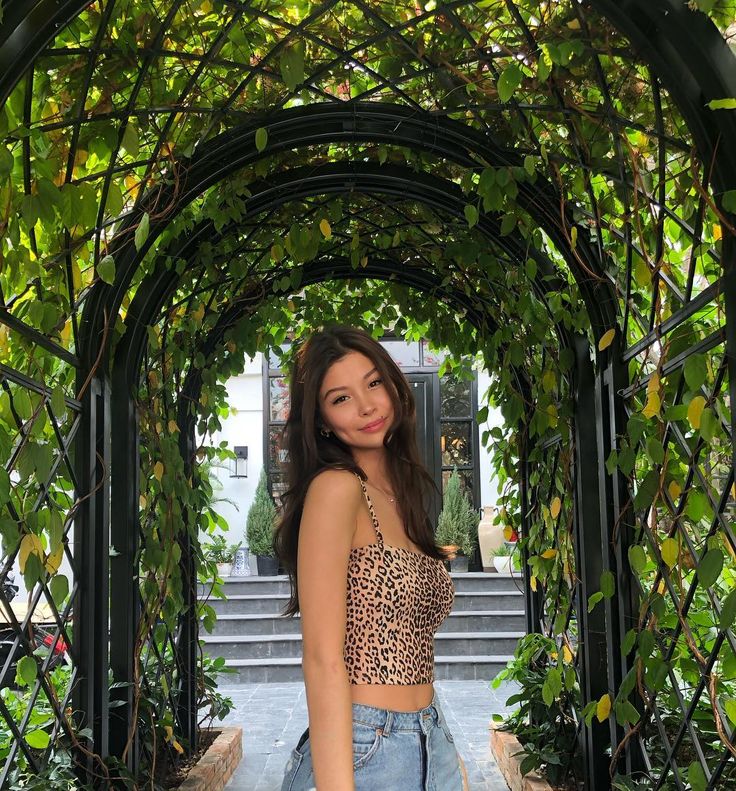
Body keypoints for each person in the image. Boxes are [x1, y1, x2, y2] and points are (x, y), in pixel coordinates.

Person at [274, 325, 468, 791]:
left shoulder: (401, 496)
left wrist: (445, 752)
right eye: (341, 398)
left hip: (430, 739)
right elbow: (322, 659)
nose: (366, 406)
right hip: (368, 749)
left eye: (374, 382)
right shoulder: (336, 489)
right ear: (322, 420)